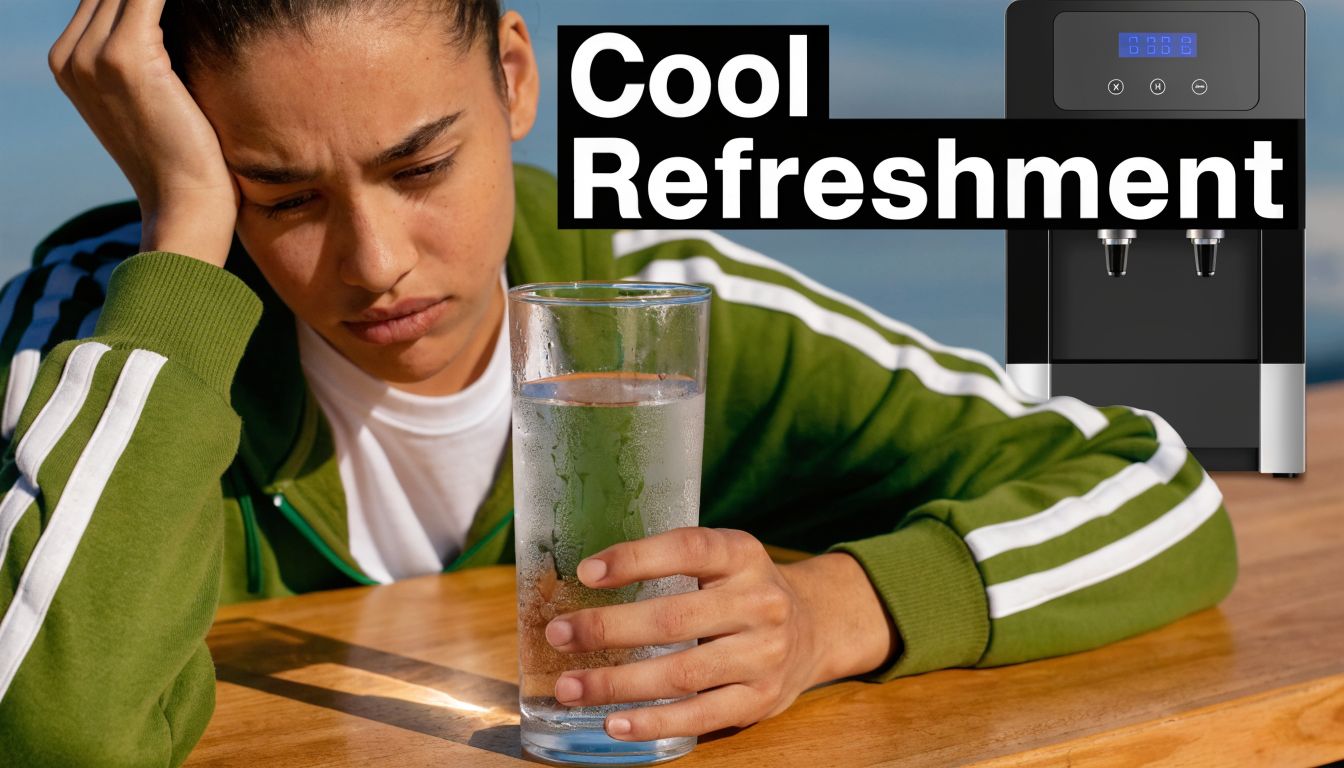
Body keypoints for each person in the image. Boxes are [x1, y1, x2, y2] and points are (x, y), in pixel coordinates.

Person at [0, 1, 1237, 765]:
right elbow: (48, 725)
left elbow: (1157, 491)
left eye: (423, 166)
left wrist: (825, 619)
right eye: (283, 196)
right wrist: (186, 237)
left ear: (517, 78)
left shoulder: (669, 311)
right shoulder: (101, 338)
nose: (375, 263)